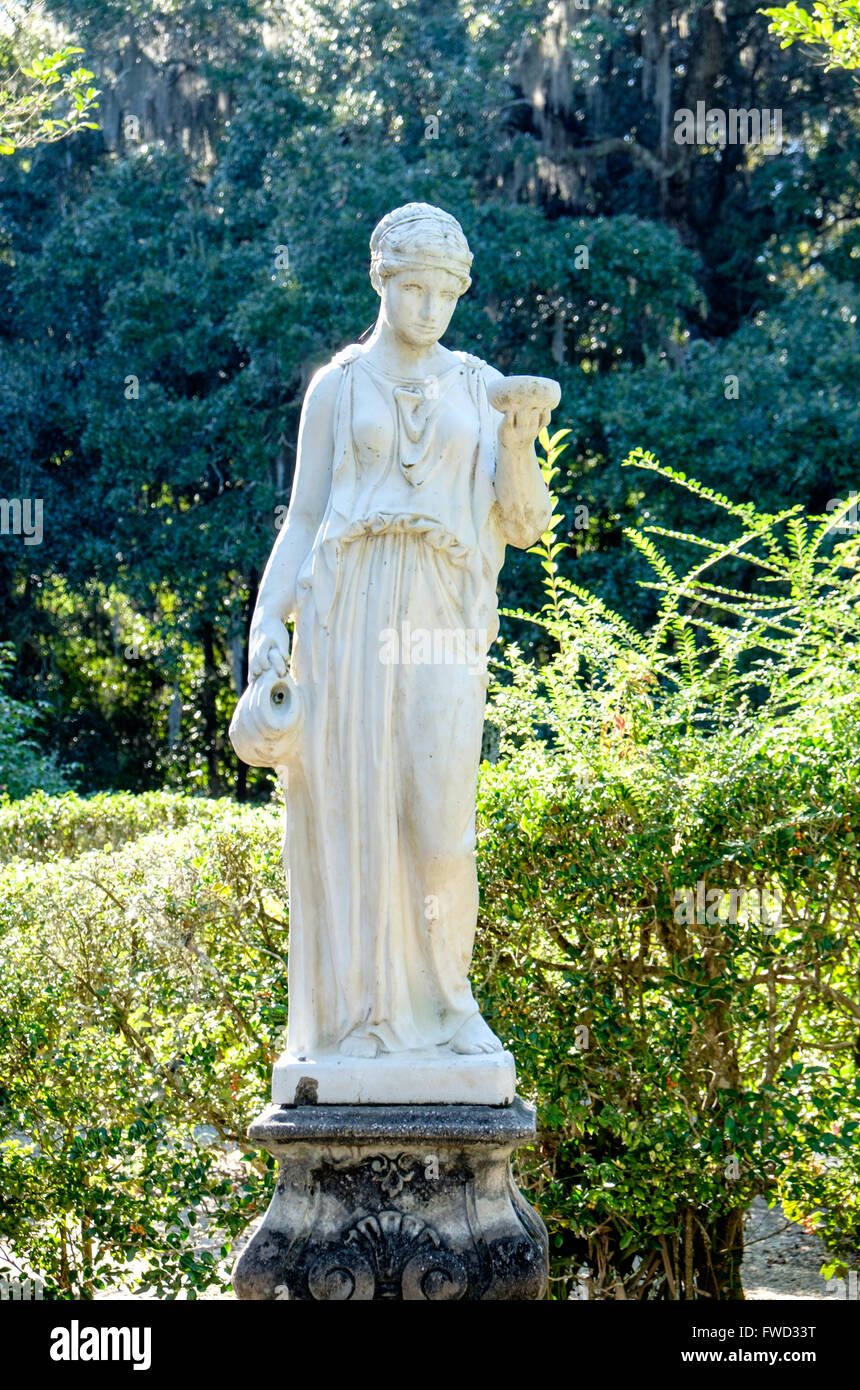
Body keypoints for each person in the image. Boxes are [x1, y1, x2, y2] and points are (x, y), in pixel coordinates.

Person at [246, 202, 552, 1060]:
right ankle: (357, 1023)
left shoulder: (479, 387)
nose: (428, 307)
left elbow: (524, 523)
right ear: (381, 279)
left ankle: (451, 1007)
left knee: (439, 816)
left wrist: (521, 442)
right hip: (346, 613)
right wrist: (268, 620)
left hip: (443, 613)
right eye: (412, 287)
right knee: (354, 815)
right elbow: (304, 517)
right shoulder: (338, 386)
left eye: (444, 293)